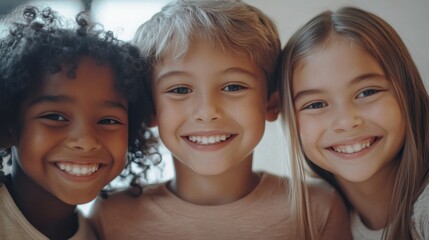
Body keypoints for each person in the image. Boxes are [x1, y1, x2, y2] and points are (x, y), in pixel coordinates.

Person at [89, 1, 352, 239]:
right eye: (180, 90)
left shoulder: (318, 206)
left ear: (271, 104)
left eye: (233, 87)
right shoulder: (111, 216)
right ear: (152, 110)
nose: (207, 111)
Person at [0, 5, 157, 240]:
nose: (85, 141)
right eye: (55, 117)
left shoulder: (101, 232)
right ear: (8, 125)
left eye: (108, 120)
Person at [278, 6, 429, 240]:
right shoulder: (319, 220)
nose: (347, 122)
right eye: (316, 105)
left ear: (407, 92)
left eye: (367, 92)